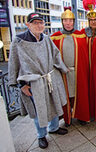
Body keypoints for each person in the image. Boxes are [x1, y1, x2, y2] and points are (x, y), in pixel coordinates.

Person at [8, 12, 68, 149]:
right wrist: (21, 85)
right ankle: (41, 135)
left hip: (49, 79)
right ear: (28, 24)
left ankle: (54, 128)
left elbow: (55, 55)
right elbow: (14, 63)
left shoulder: (46, 39)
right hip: (34, 82)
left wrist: (64, 69)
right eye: (35, 23)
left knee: (53, 104)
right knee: (38, 110)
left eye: (41, 23)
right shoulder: (19, 41)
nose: (39, 25)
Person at [51, 7, 90, 126]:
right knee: (66, 95)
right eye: (65, 21)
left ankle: (81, 116)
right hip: (63, 73)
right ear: (62, 22)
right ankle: (67, 117)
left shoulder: (81, 36)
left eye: (70, 20)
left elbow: (85, 55)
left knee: (80, 94)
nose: (68, 23)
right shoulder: (55, 37)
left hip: (78, 71)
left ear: (74, 21)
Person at [81, 0, 96, 66]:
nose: (93, 22)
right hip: (88, 62)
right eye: (91, 20)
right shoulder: (83, 32)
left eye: (95, 20)